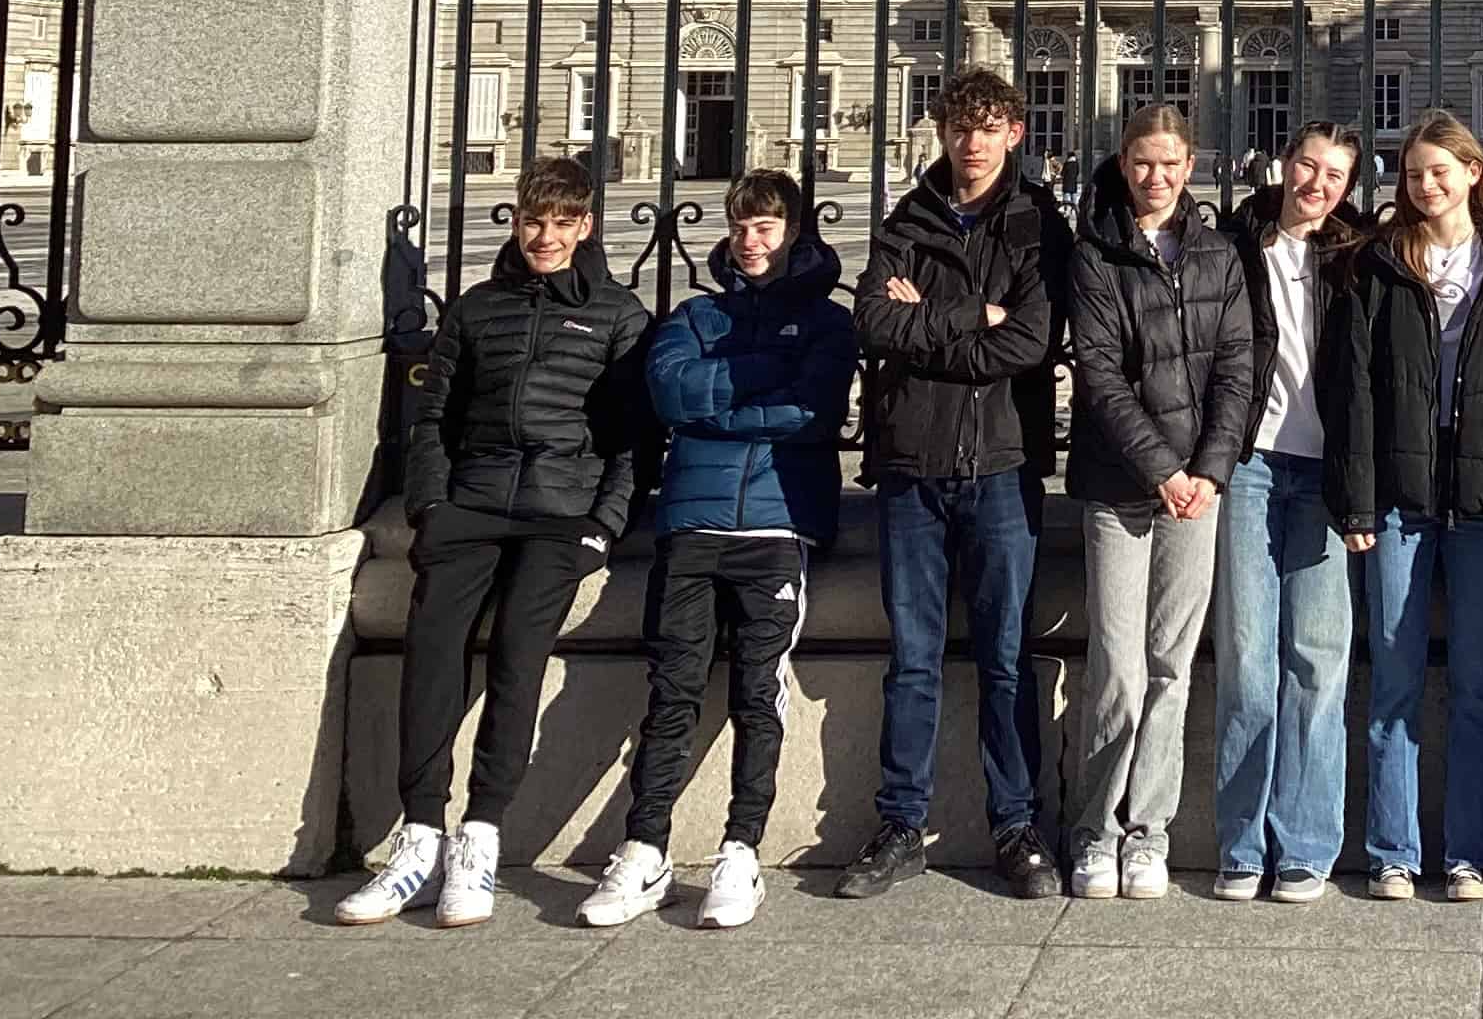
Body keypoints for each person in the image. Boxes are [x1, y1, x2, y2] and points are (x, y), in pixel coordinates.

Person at [341, 154, 650, 928]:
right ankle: (418, 835)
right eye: (532, 220)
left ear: (586, 226)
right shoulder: (478, 308)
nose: (544, 236)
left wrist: (600, 528)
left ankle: (479, 837)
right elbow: (434, 421)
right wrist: (431, 511)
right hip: (471, 508)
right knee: (432, 654)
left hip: (558, 513)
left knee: (519, 659)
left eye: (559, 222)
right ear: (516, 220)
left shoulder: (618, 315)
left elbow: (632, 443)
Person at [581, 169, 857, 930]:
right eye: (741, 225)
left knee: (756, 691)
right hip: (694, 520)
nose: (750, 238)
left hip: (777, 523)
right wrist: (758, 390)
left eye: (766, 225)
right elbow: (669, 396)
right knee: (672, 687)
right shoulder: (696, 314)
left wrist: (723, 399)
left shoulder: (828, 323)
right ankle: (645, 847)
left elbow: (814, 408)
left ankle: (742, 848)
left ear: (794, 232)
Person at [841, 68, 1073, 903]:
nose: (970, 142)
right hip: (912, 466)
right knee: (913, 660)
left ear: (1015, 133)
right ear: (941, 133)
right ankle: (900, 823)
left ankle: (1017, 824)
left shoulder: (1038, 223)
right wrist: (978, 316)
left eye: (987, 126)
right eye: (958, 126)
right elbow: (873, 320)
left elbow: (1035, 345)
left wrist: (928, 327)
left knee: (1007, 659)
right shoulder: (907, 219)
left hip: (1005, 467)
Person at [1321, 108, 1483, 902]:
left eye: (1438, 172)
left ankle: (1466, 854)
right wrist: (1354, 504)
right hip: (1396, 499)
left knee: (1479, 687)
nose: (1424, 186)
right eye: (1414, 174)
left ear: (1473, 173)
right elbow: (1352, 392)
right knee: (1394, 683)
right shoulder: (1376, 263)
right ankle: (1392, 849)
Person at [1062, 105, 1259, 900]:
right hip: (1124, 487)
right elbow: (1100, 376)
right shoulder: (1095, 254)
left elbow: (1239, 368)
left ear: (1192, 163)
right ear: (1123, 163)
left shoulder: (1219, 253)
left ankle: (1149, 831)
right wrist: (1163, 471)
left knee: (1171, 665)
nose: (1158, 177)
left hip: (1197, 491)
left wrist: (1209, 468)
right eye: (1144, 163)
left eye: (1171, 162)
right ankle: (1094, 829)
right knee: (1116, 666)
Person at [1212, 121, 1372, 901]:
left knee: (1318, 658)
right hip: (1247, 465)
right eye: (1308, 165)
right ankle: (1243, 843)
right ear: (1283, 165)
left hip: (1327, 474)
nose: (1317, 183)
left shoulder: (1359, 257)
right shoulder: (1232, 245)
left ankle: (1305, 841)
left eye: (1334, 174)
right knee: (1248, 660)